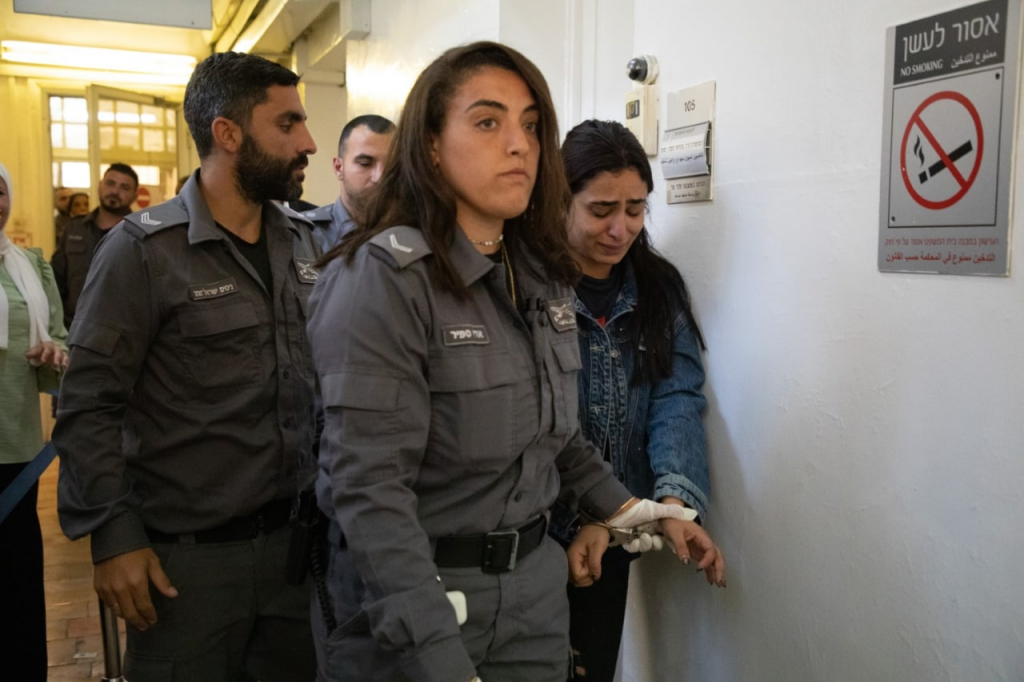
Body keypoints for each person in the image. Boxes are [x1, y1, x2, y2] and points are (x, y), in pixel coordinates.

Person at [306, 41, 725, 682]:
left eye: (531, 126)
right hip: (426, 597)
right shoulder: (384, 279)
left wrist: (631, 510)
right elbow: (368, 493)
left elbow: (554, 434)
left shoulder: (535, 272)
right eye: (487, 121)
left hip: (533, 596)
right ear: (430, 144)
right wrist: (436, 656)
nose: (518, 145)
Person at [54, 51, 321, 682]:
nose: (308, 143)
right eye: (287, 124)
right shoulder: (142, 252)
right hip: (188, 569)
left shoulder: (304, 241)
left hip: (296, 557)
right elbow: (88, 404)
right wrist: (113, 533)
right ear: (228, 134)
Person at [547, 119, 724, 681]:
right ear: (559, 200)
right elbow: (533, 423)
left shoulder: (656, 290)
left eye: (635, 208)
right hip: (536, 533)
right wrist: (591, 514)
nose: (619, 228)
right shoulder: (530, 288)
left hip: (616, 534)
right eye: (601, 209)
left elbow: (677, 396)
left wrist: (672, 503)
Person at [0, 161, 69, 682]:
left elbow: (61, 339)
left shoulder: (29, 264)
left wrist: (53, 352)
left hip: (18, 444)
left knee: (17, 582)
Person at [51, 163, 138, 329]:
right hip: (73, 330)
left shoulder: (141, 235)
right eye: (110, 183)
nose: (115, 191)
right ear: (99, 187)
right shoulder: (74, 228)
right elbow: (56, 281)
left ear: (134, 196)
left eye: (124, 187)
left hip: (121, 333)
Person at [303, 114, 395, 251]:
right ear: (339, 167)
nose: (380, 176)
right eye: (365, 163)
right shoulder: (305, 233)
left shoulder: (415, 233)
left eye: (391, 165)